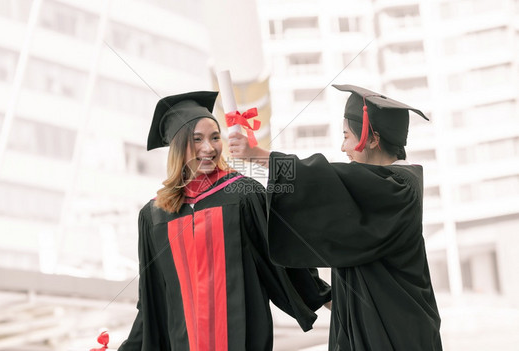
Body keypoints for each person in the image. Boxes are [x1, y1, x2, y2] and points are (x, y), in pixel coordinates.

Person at [228, 84, 443, 350]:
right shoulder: (374, 191)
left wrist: (258, 156)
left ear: (373, 138)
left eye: (346, 136)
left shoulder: (400, 187)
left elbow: (320, 178)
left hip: (399, 333)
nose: (343, 147)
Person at [117, 91, 331, 351]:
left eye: (215, 137)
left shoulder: (243, 195)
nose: (209, 148)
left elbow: (284, 258)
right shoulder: (154, 216)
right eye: (197, 140)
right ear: (177, 147)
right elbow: (151, 299)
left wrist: (335, 300)